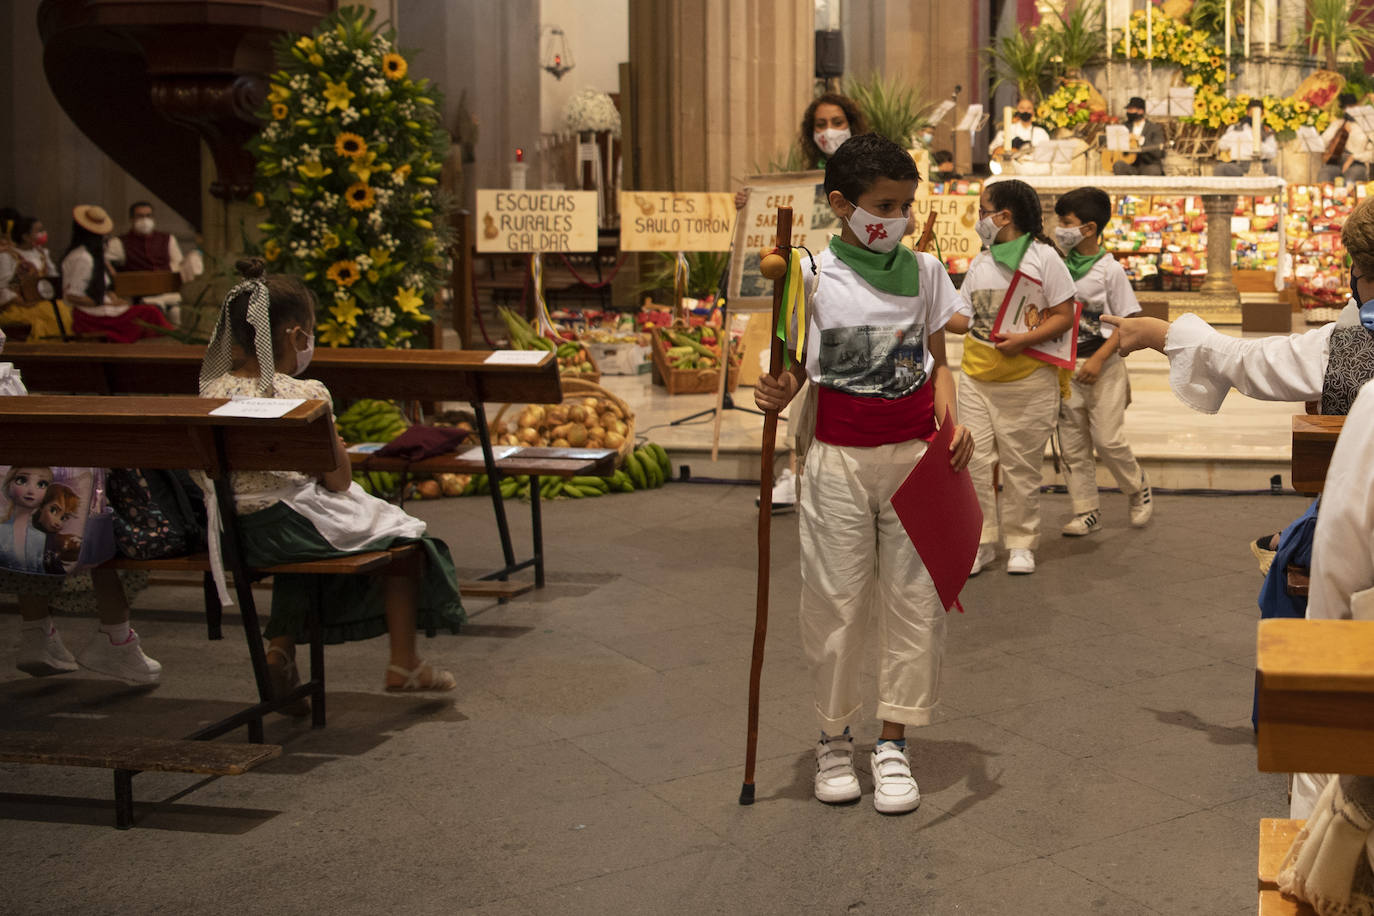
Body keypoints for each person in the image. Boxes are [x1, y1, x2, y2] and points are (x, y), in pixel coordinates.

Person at [752, 133, 973, 815]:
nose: (897, 219)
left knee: (916, 604)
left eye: (905, 206)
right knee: (835, 604)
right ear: (841, 204)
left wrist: (952, 422)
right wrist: (776, 390)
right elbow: (792, 367)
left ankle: (894, 742)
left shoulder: (927, 272)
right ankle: (833, 738)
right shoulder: (811, 276)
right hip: (838, 462)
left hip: (915, 461)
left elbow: (939, 364)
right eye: (884, 206)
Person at [198, 257, 464, 706]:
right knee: (406, 537)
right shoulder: (307, 393)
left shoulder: (211, 389)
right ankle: (404, 662)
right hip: (283, 529)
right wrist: (335, 448)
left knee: (313, 531)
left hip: (230, 530)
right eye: (310, 332)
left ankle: (281, 651)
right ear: (294, 336)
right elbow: (339, 481)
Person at [955, 178, 1077, 575]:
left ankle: (1022, 542)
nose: (978, 219)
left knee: (1021, 467)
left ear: (1004, 216)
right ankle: (980, 541)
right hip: (976, 377)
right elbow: (962, 319)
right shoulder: (980, 261)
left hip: (1028, 379)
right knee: (974, 464)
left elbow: (1064, 315)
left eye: (982, 211)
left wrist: (1025, 340)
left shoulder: (1044, 257)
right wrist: (926, 297)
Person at [1052, 187, 1152, 536]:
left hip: (1103, 366)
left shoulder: (1110, 270)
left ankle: (1137, 487)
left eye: (1066, 222)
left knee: (1108, 439)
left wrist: (1098, 358)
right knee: (1073, 444)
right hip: (1064, 368)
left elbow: (1126, 322)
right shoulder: (1056, 265)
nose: (1059, 228)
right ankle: (1086, 510)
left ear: (1089, 228)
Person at [60, 204, 173, 343]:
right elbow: (72, 295)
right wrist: (102, 303)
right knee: (150, 313)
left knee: (150, 312)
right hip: (92, 318)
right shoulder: (81, 258)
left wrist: (114, 299)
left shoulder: (93, 255)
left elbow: (102, 287)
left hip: (104, 311)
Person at [106, 200, 202, 322]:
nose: (145, 220)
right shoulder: (119, 243)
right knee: (151, 311)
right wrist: (111, 269)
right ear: (132, 219)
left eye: (148, 216)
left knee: (177, 313)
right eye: (140, 216)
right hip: (139, 295)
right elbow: (103, 260)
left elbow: (177, 265)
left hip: (167, 293)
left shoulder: (168, 239)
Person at [0, 216, 71, 340]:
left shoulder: (42, 254)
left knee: (64, 312)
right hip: (19, 304)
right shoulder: (8, 256)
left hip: (44, 301)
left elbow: (53, 278)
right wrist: (20, 301)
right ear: (25, 236)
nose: (42, 234)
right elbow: (3, 287)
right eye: (38, 231)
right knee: (48, 318)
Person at [1318, 92, 1371, 184]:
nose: (1349, 110)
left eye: (1352, 107)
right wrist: (1337, 130)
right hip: (1335, 162)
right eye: (1346, 108)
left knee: (1350, 180)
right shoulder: (1337, 123)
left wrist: (1353, 157)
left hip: (1357, 163)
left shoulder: (1366, 127)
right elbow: (1321, 144)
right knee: (1324, 174)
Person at [987, 98, 1050, 175]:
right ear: (1017, 111)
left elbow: (1048, 154)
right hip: (1012, 170)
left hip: (1035, 171)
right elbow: (993, 150)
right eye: (1022, 108)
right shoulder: (1008, 130)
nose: (1025, 111)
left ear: (1033, 112)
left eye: (1029, 108)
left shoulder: (1041, 132)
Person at [1214, 110, 1279, 176]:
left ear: (1262, 114)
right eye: (1251, 113)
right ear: (1247, 112)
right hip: (1237, 165)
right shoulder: (1235, 128)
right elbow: (1222, 145)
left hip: (1260, 164)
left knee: (1271, 168)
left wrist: (1260, 144)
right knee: (1220, 168)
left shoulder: (1266, 130)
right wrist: (1234, 136)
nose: (1252, 116)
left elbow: (1272, 153)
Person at [1113, 97, 1166, 176]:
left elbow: (1159, 152)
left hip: (1148, 165)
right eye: (1128, 110)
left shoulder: (1155, 128)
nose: (1128, 112)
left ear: (1141, 111)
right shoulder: (1124, 126)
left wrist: (1140, 140)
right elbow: (1115, 145)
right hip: (1130, 165)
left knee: (1154, 170)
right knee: (1118, 165)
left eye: (1131, 109)